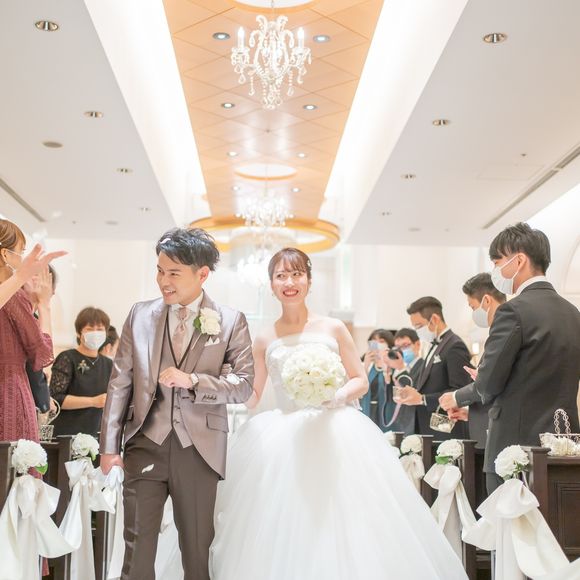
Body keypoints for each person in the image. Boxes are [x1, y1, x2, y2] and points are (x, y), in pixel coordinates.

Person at [209, 248, 467, 580]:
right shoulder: (263, 337)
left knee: (347, 516)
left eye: (297, 274)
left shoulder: (333, 328)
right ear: (271, 285)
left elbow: (359, 379)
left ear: (309, 280)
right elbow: (253, 395)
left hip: (335, 428)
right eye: (281, 276)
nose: (289, 282)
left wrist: (338, 395)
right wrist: (223, 381)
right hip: (283, 436)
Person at [99, 227, 254, 580]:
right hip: (145, 443)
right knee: (137, 551)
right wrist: (109, 447)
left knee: (197, 553)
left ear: (202, 274)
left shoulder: (230, 321)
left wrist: (195, 381)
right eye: (159, 270)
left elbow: (244, 386)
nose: (163, 281)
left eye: (173, 273)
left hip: (200, 451)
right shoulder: (139, 315)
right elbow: (120, 382)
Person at [470, 223, 580, 493]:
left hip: (515, 447)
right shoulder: (573, 313)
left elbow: (487, 384)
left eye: (497, 262)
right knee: (558, 516)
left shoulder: (513, 311)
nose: (496, 271)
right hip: (565, 442)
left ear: (519, 261)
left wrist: (482, 375)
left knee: (511, 519)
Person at [0, 220, 55, 441]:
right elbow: (42, 351)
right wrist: (44, 305)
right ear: (5, 254)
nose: (22, 258)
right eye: (21, 251)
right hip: (9, 391)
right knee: (15, 458)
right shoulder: (14, 298)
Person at [439, 273, 506, 449]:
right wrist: (469, 413)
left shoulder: (504, 330)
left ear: (487, 301)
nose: (473, 313)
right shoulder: (499, 330)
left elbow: (493, 384)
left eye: (473, 307)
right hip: (489, 427)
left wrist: (456, 397)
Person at [398, 296, 472, 439]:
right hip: (427, 427)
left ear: (435, 319)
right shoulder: (434, 345)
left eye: (419, 326)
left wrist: (422, 399)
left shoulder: (454, 345)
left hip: (445, 428)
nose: (417, 331)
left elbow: (459, 390)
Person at [50, 307, 113, 437]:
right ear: (79, 333)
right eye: (90, 329)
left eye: (100, 329)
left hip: (96, 433)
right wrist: (93, 401)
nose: (95, 333)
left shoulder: (108, 364)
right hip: (67, 434)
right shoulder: (67, 358)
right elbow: (56, 398)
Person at [25, 265, 59, 413]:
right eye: (32, 273)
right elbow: (43, 355)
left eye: (41, 276)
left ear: (52, 291)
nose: (35, 279)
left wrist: (44, 397)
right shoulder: (15, 313)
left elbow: (42, 360)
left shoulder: (37, 318)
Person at [0, 242, 66, 310]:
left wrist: (43, 303)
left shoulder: (34, 313)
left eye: (36, 274)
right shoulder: (10, 304)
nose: (29, 276)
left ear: (52, 291)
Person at [384, 327, 424, 435]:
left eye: (405, 346)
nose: (401, 350)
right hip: (403, 422)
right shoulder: (397, 368)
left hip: (417, 422)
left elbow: (413, 390)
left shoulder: (424, 366)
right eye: (397, 347)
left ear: (417, 344)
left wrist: (401, 368)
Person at [360, 328, 394, 430]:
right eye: (374, 341)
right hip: (367, 410)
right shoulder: (365, 364)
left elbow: (391, 387)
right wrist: (365, 365)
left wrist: (385, 363)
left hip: (388, 412)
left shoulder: (394, 364)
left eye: (381, 341)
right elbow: (359, 389)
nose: (377, 344)